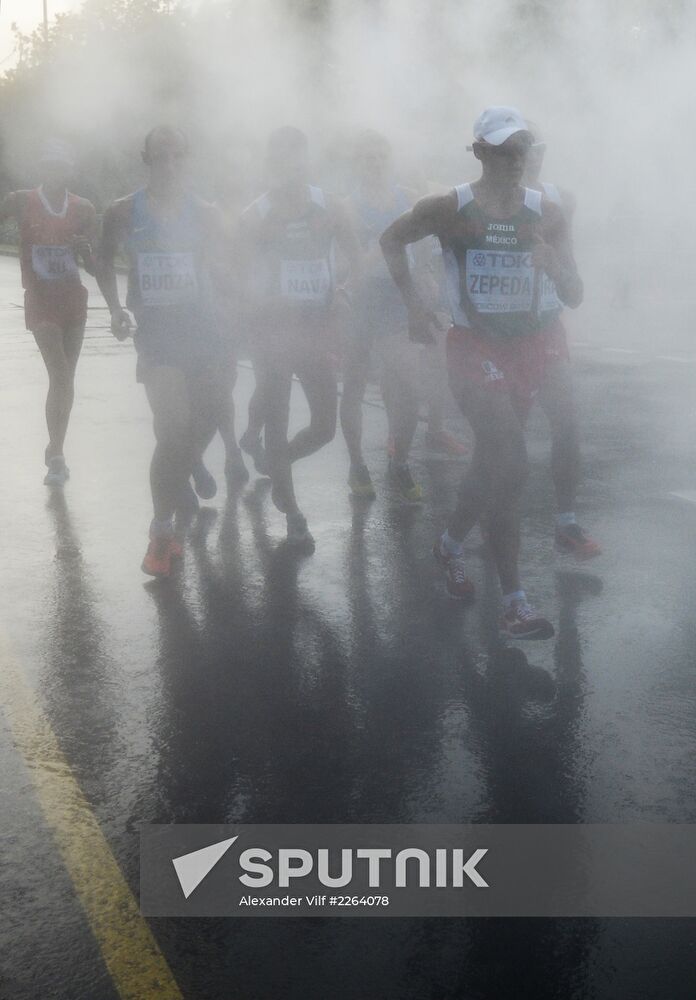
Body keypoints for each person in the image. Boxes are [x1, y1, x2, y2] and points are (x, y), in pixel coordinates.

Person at [381, 106, 584, 640]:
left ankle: (448, 544)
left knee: (491, 468)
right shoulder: (450, 207)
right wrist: (411, 303)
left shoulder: (549, 212)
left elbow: (576, 294)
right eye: (503, 149)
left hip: (530, 350)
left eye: (522, 148)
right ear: (480, 152)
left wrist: (555, 265)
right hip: (474, 349)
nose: (515, 159)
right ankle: (515, 603)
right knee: (513, 461)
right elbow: (391, 238)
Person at [97, 126, 225, 577]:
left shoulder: (206, 212)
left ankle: (188, 466)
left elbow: (225, 266)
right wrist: (115, 308)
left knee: (210, 416)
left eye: (177, 156)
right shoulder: (123, 212)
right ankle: (162, 530)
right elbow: (103, 257)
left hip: (203, 329)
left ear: (186, 160)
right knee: (173, 429)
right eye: (160, 157)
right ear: (146, 159)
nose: (169, 165)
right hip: (157, 333)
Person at [236, 126, 361, 549]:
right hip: (272, 329)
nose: (290, 165)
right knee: (277, 411)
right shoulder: (256, 215)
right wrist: (257, 301)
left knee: (325, 426)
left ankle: (278, 462)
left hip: (317, 327)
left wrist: (344, 290)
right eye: (281, 157)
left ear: (307, 160)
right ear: (271, 164)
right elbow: (237, 273)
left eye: (298, 156)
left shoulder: (332, 207)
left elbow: (357, 259)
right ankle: (291, 510)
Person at [523, 120, 600, 559]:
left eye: (538, 147)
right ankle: (476, 523)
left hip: (544, 329)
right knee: (504, 446)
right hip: (493, 338)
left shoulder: (558, 202)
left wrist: (559, 272)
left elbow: (574, 286)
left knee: (566, 424)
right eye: (521, 148)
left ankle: (566, 521)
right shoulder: (477, 201)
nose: (533, 156)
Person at [0, 138, 97, 486]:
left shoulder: (84, 208)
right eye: (50, 166)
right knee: (59, 375)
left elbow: (97, 266)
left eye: (62, 166)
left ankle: (56, 445)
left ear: (70, 170)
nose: (56, 172)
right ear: (42, 168)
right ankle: (57, 456)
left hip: (74, 300)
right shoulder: (22, 201)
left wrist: (87, 252)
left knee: (66, 380)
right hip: (41, 300)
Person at [340, 130, 425, 502]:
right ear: (356, 164)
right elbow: (348, 260)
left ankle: (400, 461)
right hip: (361, 299)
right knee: (355, 383)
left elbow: (422, 248)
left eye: (380, 156)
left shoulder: (407, 199)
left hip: (397, 297)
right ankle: (357, 464)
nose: (374, 163)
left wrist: (426, 281)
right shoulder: (346, 206)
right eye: (367, 157)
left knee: (406, 383)